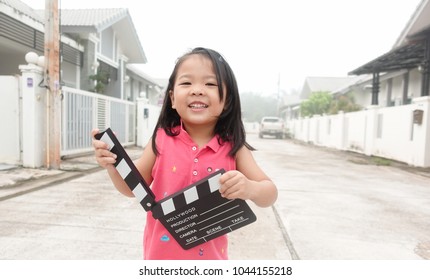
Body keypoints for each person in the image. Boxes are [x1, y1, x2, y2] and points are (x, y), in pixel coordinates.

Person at [92, 47, 278, 260]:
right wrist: (113, 165)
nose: (197, 90)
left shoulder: (235, 148)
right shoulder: (161, 139)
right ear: (172, 98)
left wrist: (250, 188)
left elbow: (269, 194)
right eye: (186, 83)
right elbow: (131, 188)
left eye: (210, 83)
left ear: (227, 100)